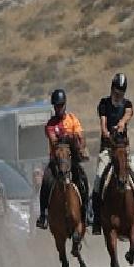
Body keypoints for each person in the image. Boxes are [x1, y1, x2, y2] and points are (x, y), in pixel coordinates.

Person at [91, 73, 134, 235]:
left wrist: (122, 123)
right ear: (112, 88)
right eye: (116, 90)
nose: (118, 94)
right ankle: (96, 219)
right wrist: (106, 132)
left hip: (123, 150)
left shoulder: (127, 104)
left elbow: (128, 114)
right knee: (99, 180)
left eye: (121, 91)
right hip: (108, 151)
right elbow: (103, 123)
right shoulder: (104, 103)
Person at [35, 89, 90, 229]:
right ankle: (43, 215)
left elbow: (81, 138)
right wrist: (70, 138)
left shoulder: (73, 119)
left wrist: (77, 143)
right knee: (46, 181)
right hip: (56, 161)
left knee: (83, 179)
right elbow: (54, 142)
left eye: (60, 105)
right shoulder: (50, 125)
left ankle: (88, 211)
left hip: (72, 160)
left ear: (65, 105)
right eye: (56, 106)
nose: (58, 108)